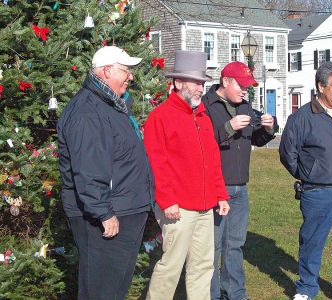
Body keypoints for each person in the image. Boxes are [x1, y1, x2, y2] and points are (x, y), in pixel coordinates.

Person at [57, 46, 154, 300]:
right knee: (100, 291)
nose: (130, 76)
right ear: (106, 71)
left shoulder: (112, 105)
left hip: (125, 209)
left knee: (113, 288)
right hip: (108, 216)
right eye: (126, 70)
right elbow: (88, 169)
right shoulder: (88, 111)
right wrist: (104, 212)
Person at [144, 50, 230, 300]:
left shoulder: (203, 117)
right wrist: (167, 199)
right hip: (178, 207)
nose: (200, 88)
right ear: (178, 82)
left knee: (203, 266)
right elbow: (155, 163)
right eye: (195, 82)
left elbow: (212, 161)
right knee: (171, 266)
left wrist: (220, 195)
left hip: (205, 207)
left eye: (202, 83)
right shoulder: (160, 117)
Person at [279, 61, 332, 300]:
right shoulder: (301, 118)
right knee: (312, 242)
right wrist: (311, 172)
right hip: (318, 192)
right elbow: (288, 154)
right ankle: (306, 289)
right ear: (320, 86)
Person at [202, 61, 276, 300]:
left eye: (248, 86)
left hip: (240, 187)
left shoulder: (245, 106)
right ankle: (211, 295)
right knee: (212, 248)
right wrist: (228, 127)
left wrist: (267, 129)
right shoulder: (206, 105)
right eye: (241, 85)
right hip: (215, 188)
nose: (245, 90)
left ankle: (235, 295)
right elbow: (199, 144)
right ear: (225, 82)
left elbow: (255, 139)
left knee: (235, 245)